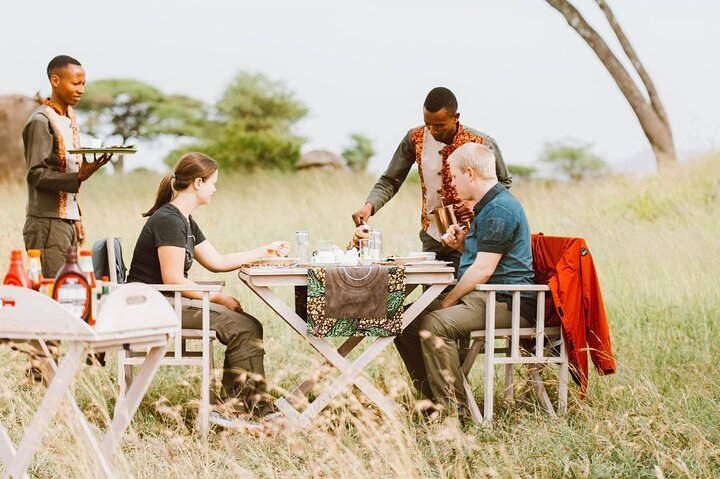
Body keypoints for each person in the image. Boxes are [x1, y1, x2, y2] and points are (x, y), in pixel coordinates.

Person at [127, 152, 290, 424]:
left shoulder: (184, 219)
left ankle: (245, 405)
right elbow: (173, 279)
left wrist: (264, 251)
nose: (215, 189)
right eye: (213, 182)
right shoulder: (169, 219)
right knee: (243, 326)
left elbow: (218, 261)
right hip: (153, 305)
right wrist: (219, 297)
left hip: (164, 300)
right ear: (198, 183)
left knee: (247, 323)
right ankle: (242, 410)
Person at [394, 142, 535, 421]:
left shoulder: (499, 209)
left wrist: (448, 300)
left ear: (470, 173)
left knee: (436, 323)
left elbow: (483, 270)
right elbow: (486, 259)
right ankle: (432, 401)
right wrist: (461, 247)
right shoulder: (487, 207)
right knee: (404, 320)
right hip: (484, 294)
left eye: (454, 176)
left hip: (507, 300)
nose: (452, 183)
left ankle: (453, 412)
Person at [352, 87, 511, 273]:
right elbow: (390, 180)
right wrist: (369, 206)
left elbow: (503, 185)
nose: (433, 131)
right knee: (430, 295)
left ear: (456, 117)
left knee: (462, 294)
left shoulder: (481, 142)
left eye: (440, 126)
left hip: (471, 235)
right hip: (431, 235)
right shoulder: (414, 138)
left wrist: (476, 206)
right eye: (428, 124)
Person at [23, 55, 112, 277]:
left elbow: (67, 170)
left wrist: (76, 218)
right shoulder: (41, 121)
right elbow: (36, 174)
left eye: (83, 84)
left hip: (66, 222)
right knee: (54, 289)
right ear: (55, 80)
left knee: (70, 288)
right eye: (75, 83)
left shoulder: (69, 117)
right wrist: (79, 177)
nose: (81, 89)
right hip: (46, 223)